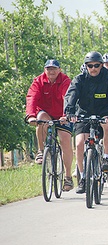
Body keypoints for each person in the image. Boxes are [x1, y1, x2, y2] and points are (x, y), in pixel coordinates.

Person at [64, 51, 108, 194]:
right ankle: (83, 178)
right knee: (79, 143)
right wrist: (69, 111)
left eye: (96, 65)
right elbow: (71, 95)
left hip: (105, 112)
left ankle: (107, 158)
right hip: (83, 113)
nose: (93, 68)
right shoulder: (79, 79)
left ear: (101, 66)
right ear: (86, 66)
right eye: (90, 66)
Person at [25, 59, 74, 191]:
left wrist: (66, 115)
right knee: (41, 120)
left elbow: (67, 98)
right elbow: (32, 97)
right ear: (45, 70)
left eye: (54, 69)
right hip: (45, 112)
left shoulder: (65, 81)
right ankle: (41, 151)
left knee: (65, 140)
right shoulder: (38, 81)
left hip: (62, 115)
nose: (51, 71)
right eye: (48, 69)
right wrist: (30, 116)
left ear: (59, 70)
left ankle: (68, 177)